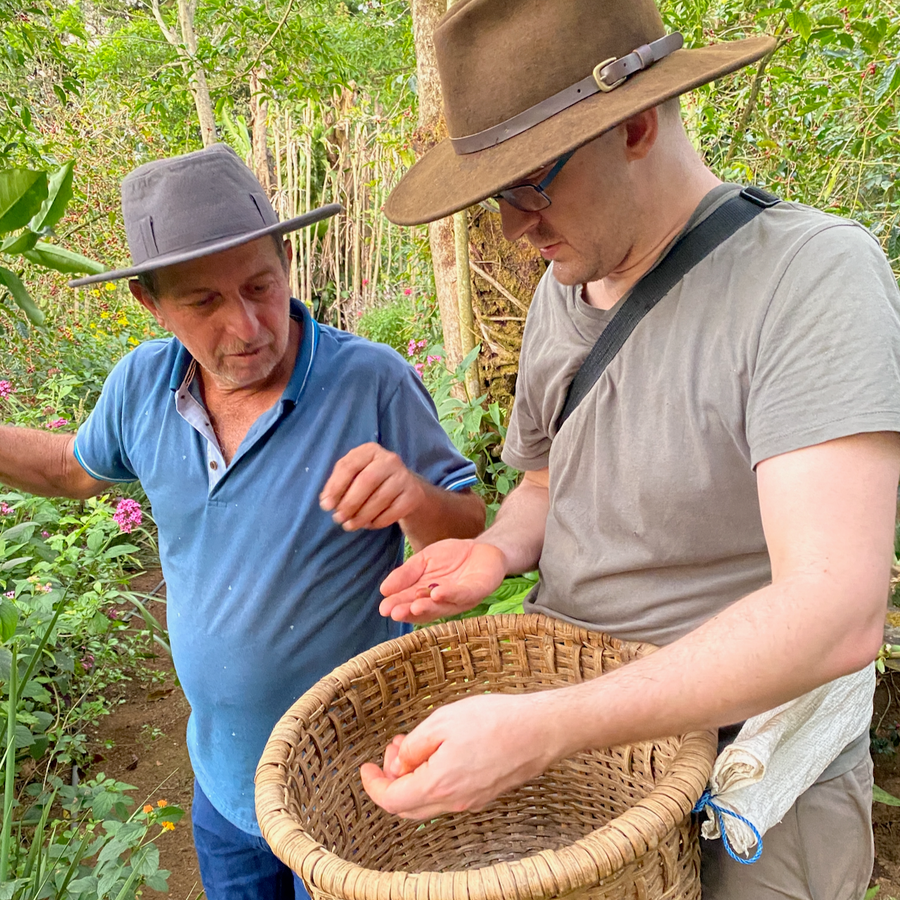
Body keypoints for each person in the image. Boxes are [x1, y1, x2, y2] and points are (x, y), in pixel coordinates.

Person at [358, 1, 900, 898]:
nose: (515, 229)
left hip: (752, 777)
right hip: (591, 757)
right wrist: (494, 550)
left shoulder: (809, 278)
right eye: (500, 196)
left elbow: (836, 611)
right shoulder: (564, 288)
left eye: (531, 184)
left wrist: (546, 727)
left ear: (636, 125)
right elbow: (543, 483)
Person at [0, 143, 485, 900]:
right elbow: (70, 468)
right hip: (223, 786)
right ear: (150, 305)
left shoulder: (372, 381)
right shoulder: (138, 387)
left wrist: (416, 498)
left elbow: (467, 537)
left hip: (355, 783)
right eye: (203, 303)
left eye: (260, 284)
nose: (248, 323)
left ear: (286, 259)